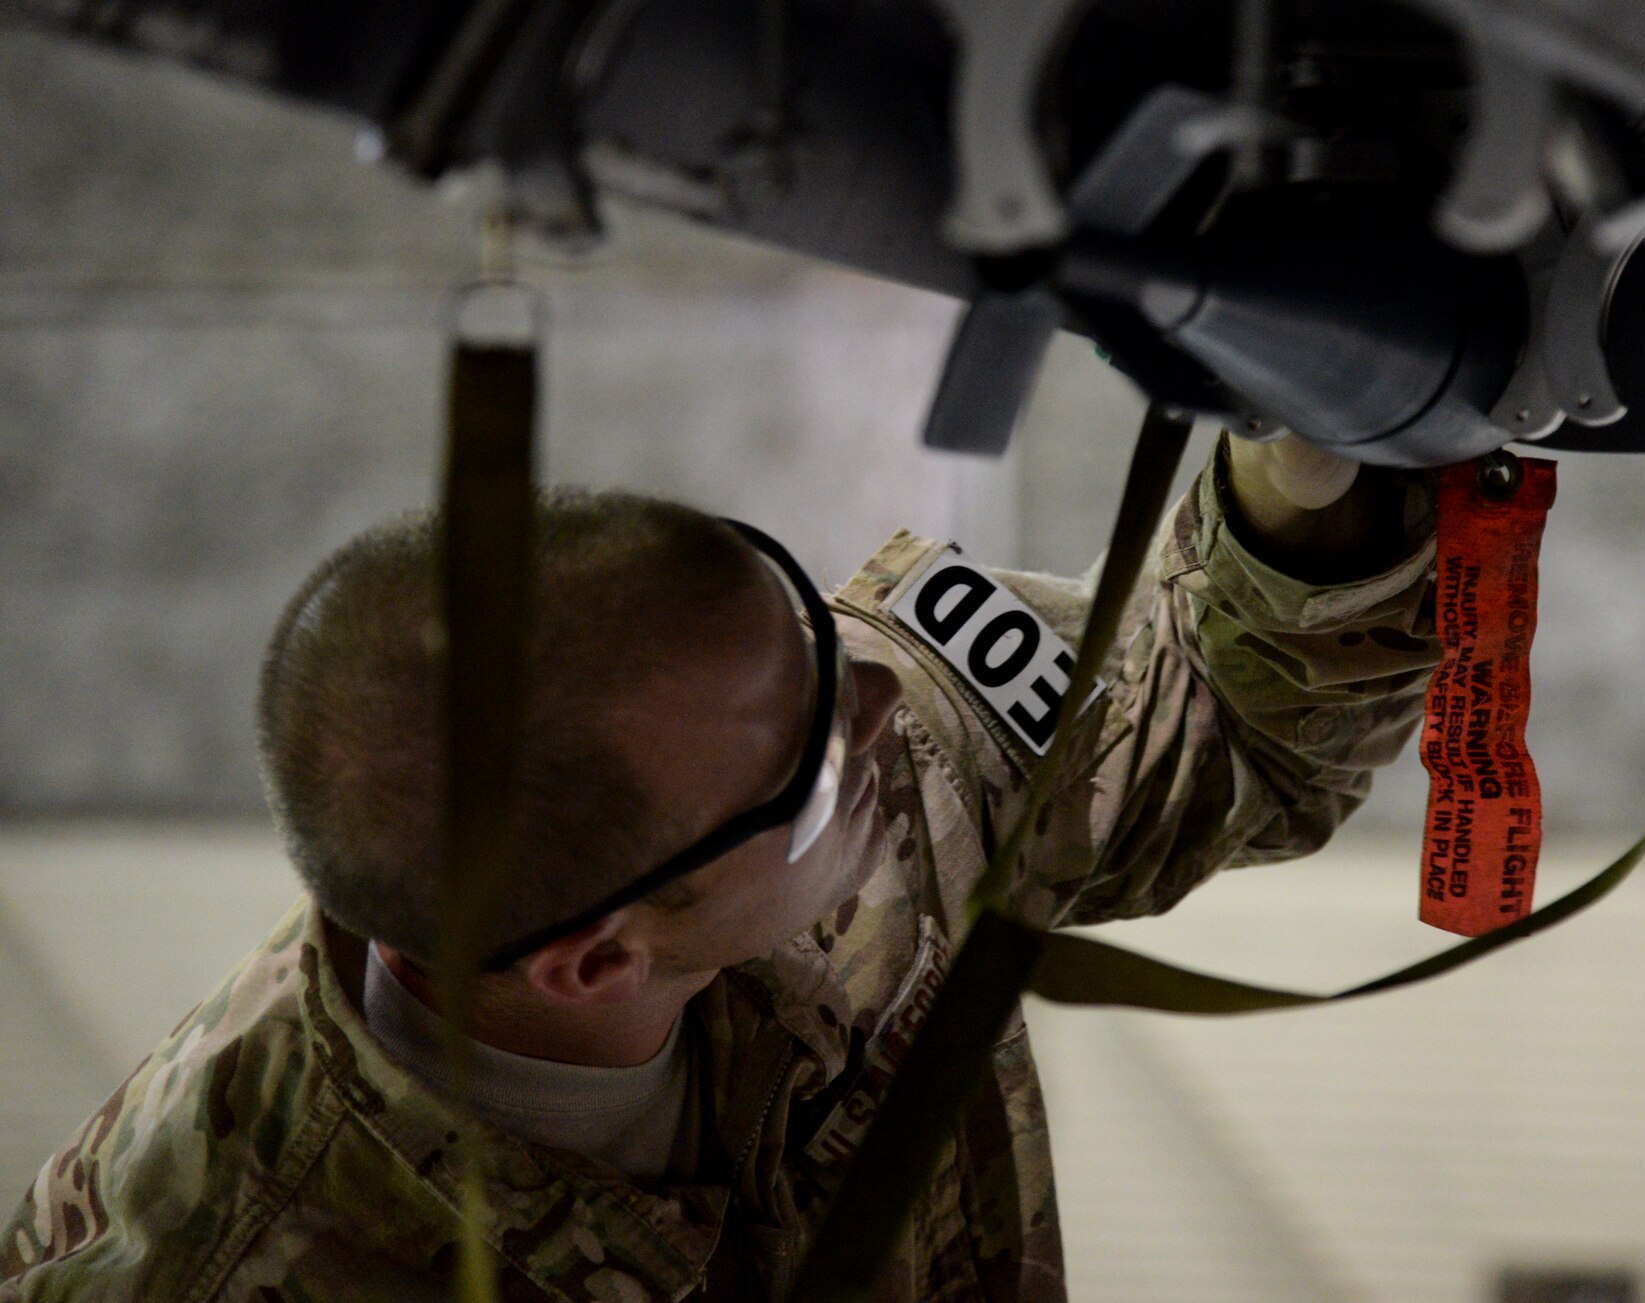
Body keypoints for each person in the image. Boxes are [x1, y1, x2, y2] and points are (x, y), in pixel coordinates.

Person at [1, 431, 1440, 1302]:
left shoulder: (795, 765)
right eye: (811, 756)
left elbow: (1220, 728)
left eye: (812, 638)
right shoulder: (244, 1271)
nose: (880, 706)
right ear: (596, 962)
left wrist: (1307, 469)